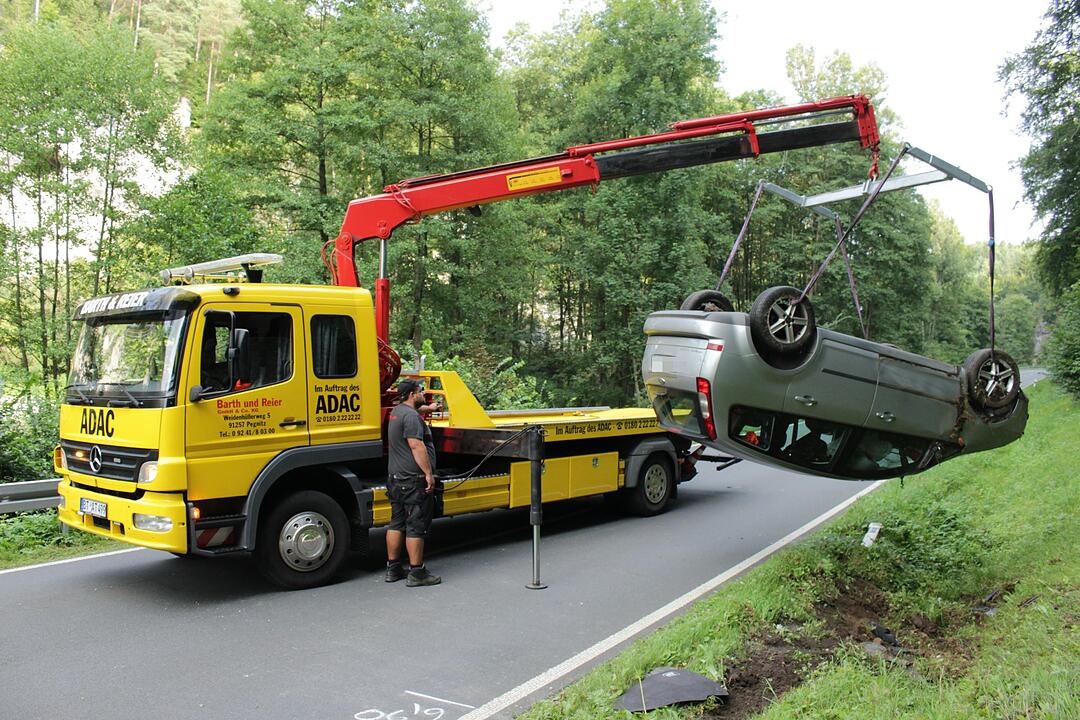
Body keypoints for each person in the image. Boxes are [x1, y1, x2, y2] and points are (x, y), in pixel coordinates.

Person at [384, 378, 442, 587]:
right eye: (420, 391)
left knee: (396, 523)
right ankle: (417, 573)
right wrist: (428, 474)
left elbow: (418, 408)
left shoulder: (397, 412)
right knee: (415, 525)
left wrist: (430, 407)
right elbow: (416, 446)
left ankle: (393, 568)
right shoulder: (412, 418)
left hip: (396, 478)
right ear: (411, 394)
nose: (423, 394)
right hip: (412, 479)